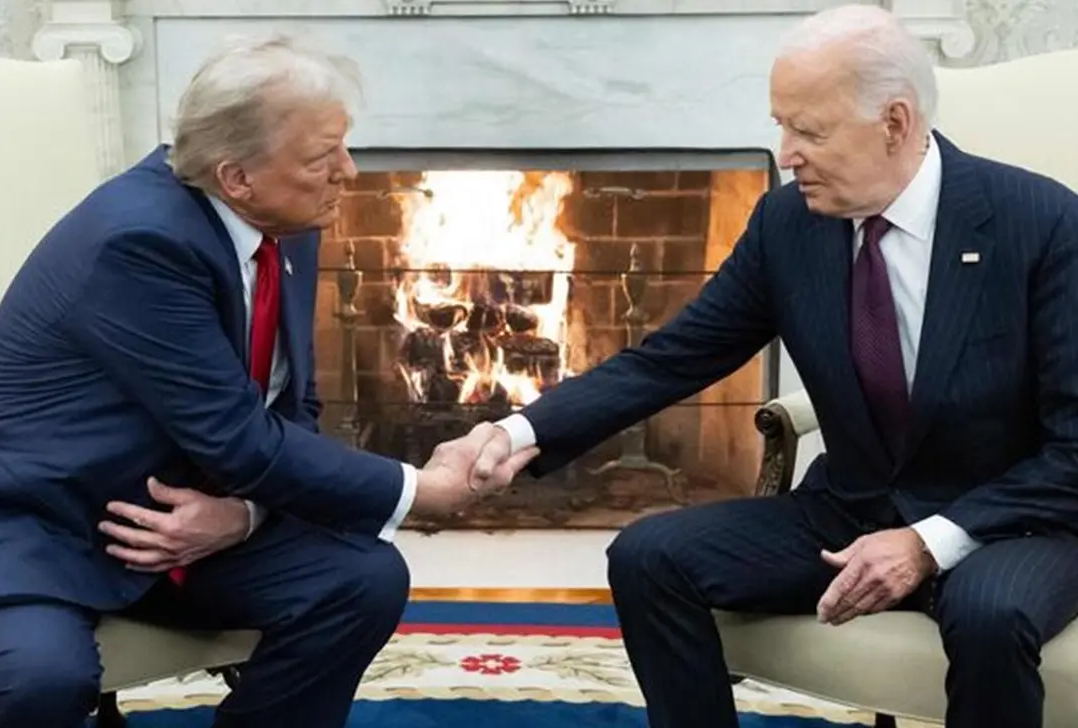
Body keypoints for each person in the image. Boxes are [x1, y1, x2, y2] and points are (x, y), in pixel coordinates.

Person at [462, 6, 1078, 728]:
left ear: (896, 122)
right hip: (852, 506)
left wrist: (926, 544)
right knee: (647, 558)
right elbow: (674, 358)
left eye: (808, 131)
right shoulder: (789, 224)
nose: (784, 153)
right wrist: (517, 433)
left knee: (988, 616)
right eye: (781, 124)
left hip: (1006, 521)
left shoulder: (1040, 223)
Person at [0, 36, 533, 728]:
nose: (350, 171)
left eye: (343, 146)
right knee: (37, 682)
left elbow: (289, 406)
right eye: (321, 159)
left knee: (360, 580)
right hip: (52, 526)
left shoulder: (284, 220)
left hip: (191, 518)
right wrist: (421, 491)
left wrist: (243, 516)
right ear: (236, 176)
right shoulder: (138, 243)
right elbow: (240, 439)